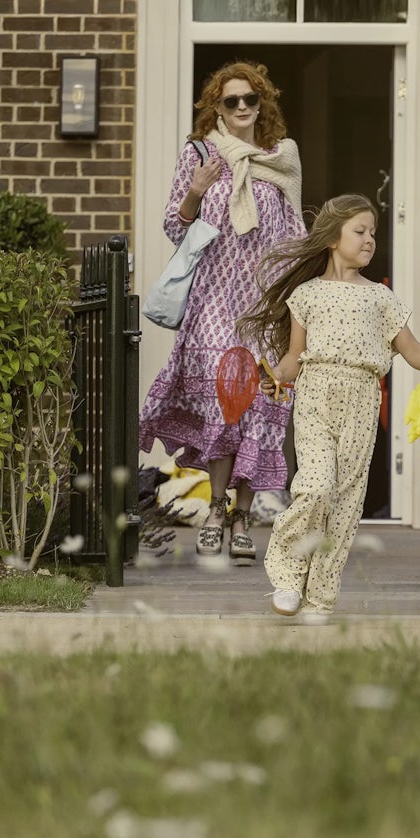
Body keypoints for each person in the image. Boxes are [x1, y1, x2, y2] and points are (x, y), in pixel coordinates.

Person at [239, 194, 420, 617]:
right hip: (317, 393)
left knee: (345, 503)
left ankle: (319, 598)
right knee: (316, 486)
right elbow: (292, 357)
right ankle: (287, 573)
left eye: (373, 232)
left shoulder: (382, 298)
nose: (370, 239)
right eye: (360, 231)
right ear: (333, 238)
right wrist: (276, 376)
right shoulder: (306, 295)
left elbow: (410, 349)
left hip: (362, 397)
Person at [139, 61, 304, 562]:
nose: (240, 109)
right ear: (217, 106)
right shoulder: (200, 154)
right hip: (212, 298)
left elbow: (295, 234)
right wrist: (196, 187)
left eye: (249, 100)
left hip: (262, 303)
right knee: (221, 400)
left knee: (258, 405)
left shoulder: (282, 158)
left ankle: (242, 515)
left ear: (262, 105)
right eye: (230, 101)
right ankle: (215, 507)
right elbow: (174, 225)